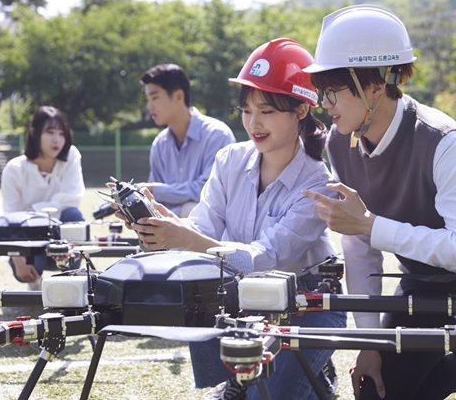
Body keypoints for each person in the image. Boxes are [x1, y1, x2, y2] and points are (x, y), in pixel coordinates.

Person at [301, 4, 456, 400]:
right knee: (377, 391)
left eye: (332, 89)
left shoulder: (441, 139)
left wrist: (369, 225)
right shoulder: (340, 141)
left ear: (374, 84)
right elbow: (359, 249)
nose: (324, 102)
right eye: (321, 91)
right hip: (425, 272)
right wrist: (369, 343)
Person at [123, 39, 347, 400]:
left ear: (301, 110)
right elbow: (201, 228)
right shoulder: (229, 160)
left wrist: (187, 238)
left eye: (268, 111)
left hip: (308, 305)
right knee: (197, 290)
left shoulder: (319, 182)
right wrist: (158, 225)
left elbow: (268, 257)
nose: (253, 123)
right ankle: (240, 382)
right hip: (243, 304)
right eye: (246, 110)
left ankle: (312, 377)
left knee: (268, 397)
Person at [0, 105, 86, 289]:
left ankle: (69, 285)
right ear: (34, 133)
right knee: (27, 267)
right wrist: (18, 260)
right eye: (50, 132)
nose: (57, 140)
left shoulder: (71, 156)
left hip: (59, 232)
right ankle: (34, 280)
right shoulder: (14, 170)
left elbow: (72, 198)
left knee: (74, 217)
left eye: (62, 133)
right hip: (27, 236)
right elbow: (10, 218)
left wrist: (35, 211)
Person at [138, 63, 236, 217]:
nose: (149, 106)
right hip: (167, 232)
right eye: (148, 99)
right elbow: (154, 201)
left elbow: (208, 190)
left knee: (191, 209)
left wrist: (155, 190)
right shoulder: (159, 143)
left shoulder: (217, 135)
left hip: (211, 235)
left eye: (155, 97)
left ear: (178, 96)